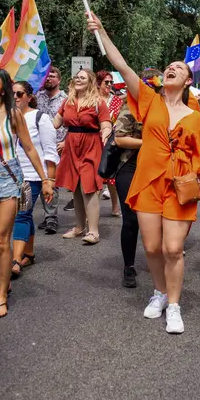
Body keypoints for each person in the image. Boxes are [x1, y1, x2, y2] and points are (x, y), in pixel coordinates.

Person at [87, 13, 200, 335]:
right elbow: (123, 67)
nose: (171, 68)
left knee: (173, 248)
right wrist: (101, 31)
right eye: (168, 66)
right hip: (147, 183)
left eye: (179, 67)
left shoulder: (196, 118)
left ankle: (174, 304)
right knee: (152, 247)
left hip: (180, 186)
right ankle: (159, 292)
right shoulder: (149, 101)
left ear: (188, 80)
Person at [0, 69, 53, 318]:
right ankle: (5, 281)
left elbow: (31, 149)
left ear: (3, 89)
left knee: (2, 239)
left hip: (7, 179)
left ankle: (2, 292)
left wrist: (45, 179)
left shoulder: (13, 115)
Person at [115, 69, 163, 288]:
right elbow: (120, 139)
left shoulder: (166, 107)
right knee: (131, 218)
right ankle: (129, 266)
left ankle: (161, 258)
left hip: (158, 168)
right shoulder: (130, 107)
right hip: (131, 166)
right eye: (149, 87)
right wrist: (150, 143)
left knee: (161, 217)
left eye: (156, 87)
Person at [54, 70, 112, 245]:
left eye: (82, 78)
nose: (78, 80)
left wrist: (106, 133)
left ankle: (93, 231)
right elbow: (55, 124)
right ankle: (79, 227)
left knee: (89, 187)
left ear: (90, 82)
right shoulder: (67, 101)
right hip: (71, 146)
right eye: (77, 77)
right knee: (76, 188)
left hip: (91, 145)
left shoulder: (98, 102)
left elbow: (106, 124)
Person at [11, 82, 59, 278]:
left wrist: (49, 180)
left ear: (29, 96)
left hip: (32, 175)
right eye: (11, 93)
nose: (15, 97)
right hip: (9, 174)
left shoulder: (40, 117)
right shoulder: (5, 117)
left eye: (19, 93)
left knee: (21, 214)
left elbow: (50, 150)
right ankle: (29, 254)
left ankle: (15, 260)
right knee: (25, 213)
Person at [36, 67, 69, 230]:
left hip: (58, 145)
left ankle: (51, 217)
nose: (49, 78)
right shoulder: (36, 96)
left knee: (52, 180)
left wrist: (66, 142)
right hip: (37, 145)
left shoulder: (66, 99)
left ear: (59, 80)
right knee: (42, 180)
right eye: (47, 75)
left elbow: (73, 123)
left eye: (53, 75)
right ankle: (48, 213)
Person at [96, 70, 122, 216]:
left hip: (111, 139)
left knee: (111, 175)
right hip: (94, 140)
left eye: (111, 82)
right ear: (99, 83)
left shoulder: (116, 100)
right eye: (107, 82)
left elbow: (120, 118)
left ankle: (115, 205)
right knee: (96, 176)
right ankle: (93, 209)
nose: (110, 85)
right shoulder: (93, 99)